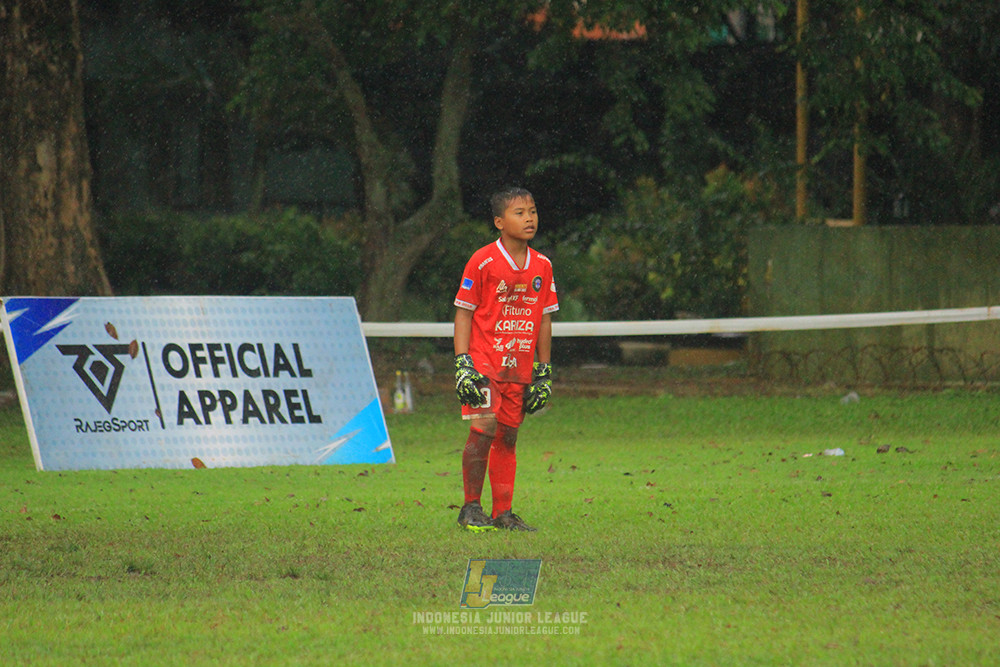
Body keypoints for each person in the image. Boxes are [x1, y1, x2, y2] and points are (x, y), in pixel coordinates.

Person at [453, 186, 559, 532]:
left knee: (508, 436)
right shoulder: (482, 260)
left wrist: (543, 369)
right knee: (484, 427)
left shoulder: (543, 264)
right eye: (519, 213)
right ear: (499, 222)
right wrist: (462, 362)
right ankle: (470, 507)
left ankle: (503, 514)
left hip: (519, 365)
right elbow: (464, 312)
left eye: (532, 211)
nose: (529, 218)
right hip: (484, 361)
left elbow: (544, 317)